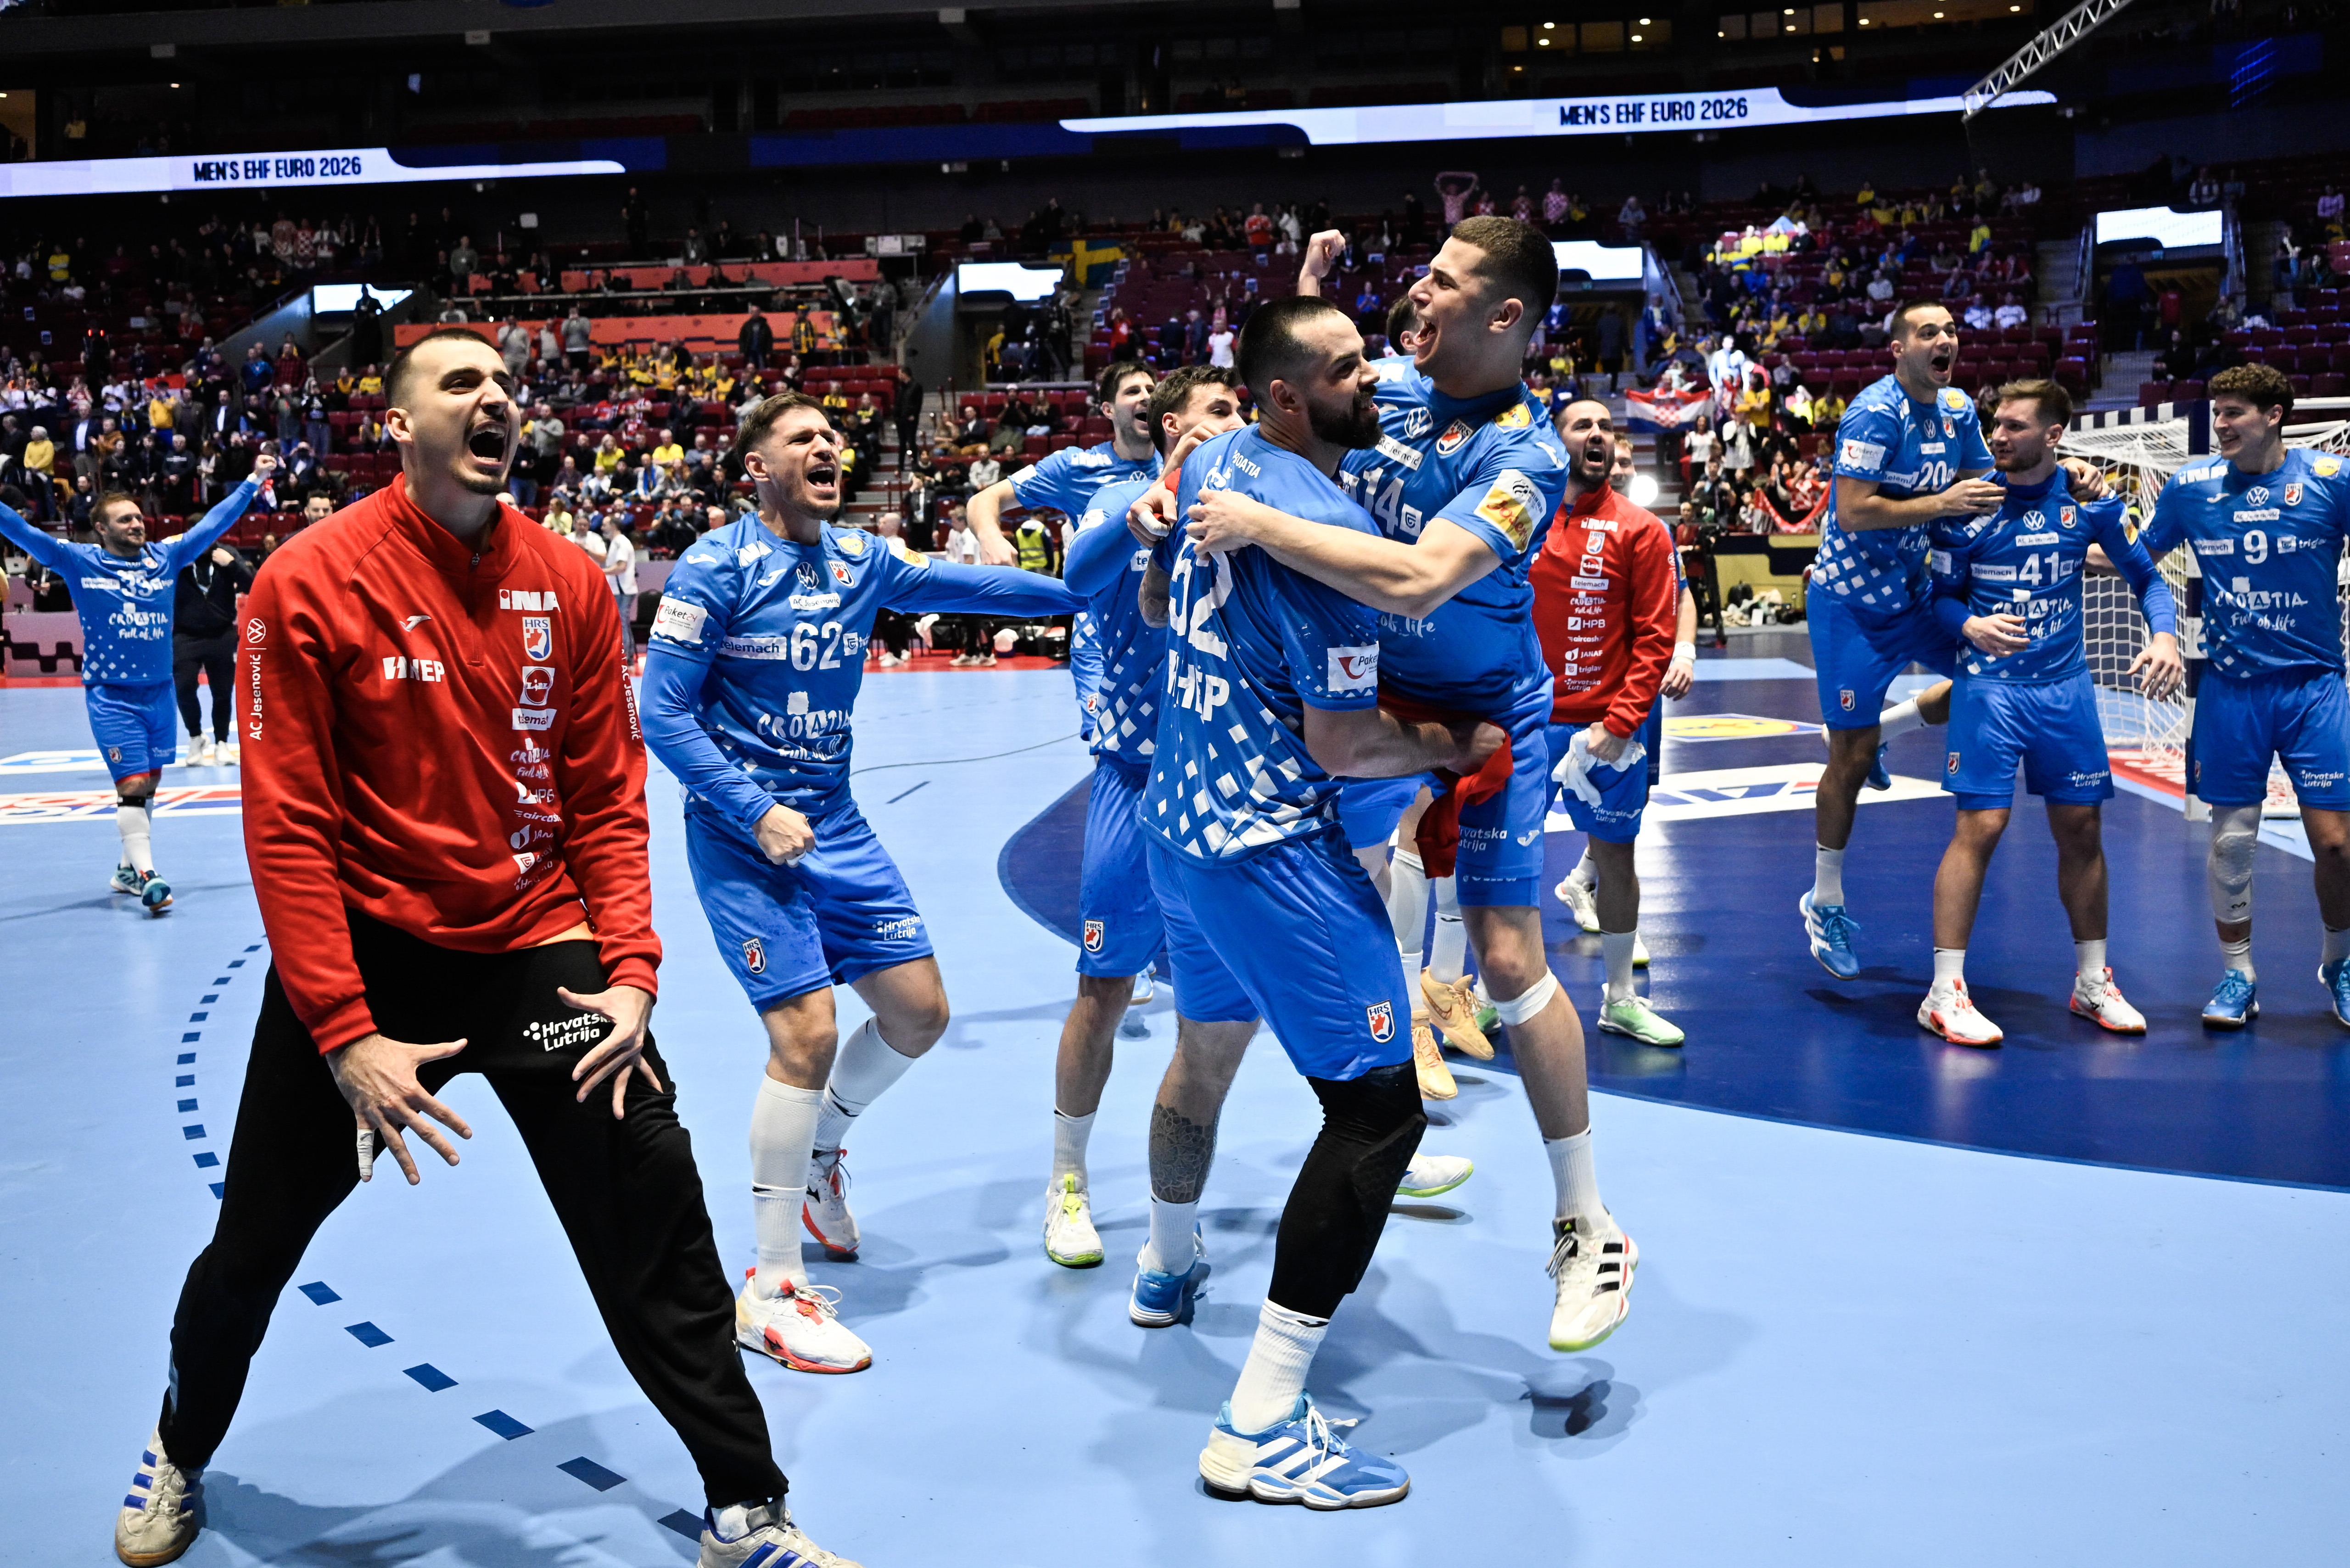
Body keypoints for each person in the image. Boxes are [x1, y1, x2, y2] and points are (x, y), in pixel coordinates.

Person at [118, 329, 853, 1568]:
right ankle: (181, 1449)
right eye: (461, 384)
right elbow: (288, 829)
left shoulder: (564, 579)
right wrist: (345, 1037)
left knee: (655, 1220)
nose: (496, 399)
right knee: (252, 1245)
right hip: (369, 957)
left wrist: (629, 971)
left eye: (506, 386)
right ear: (397, 426)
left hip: (534, 945)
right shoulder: (307, 580)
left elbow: (606, 798)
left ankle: (746, 1509)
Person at [1176, 216, 1633, 1355]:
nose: (1413, 299)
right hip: (1366, 709)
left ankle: (1586, 1224)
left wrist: (1254, 521)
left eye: (1440, 281)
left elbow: (1425, 578)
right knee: (1332, 914)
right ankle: (1342, 1135)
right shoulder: (1402, 389)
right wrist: (1300, 289)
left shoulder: (1522, 456)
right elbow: (1294, 394)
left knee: (1509, 952)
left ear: (1506, 317)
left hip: (1473, 720)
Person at [1141, 295, 1501, 1507]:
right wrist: (1453, 742)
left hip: (1181, 826)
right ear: (1291, 397)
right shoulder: (1330, 551)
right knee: (1378, 1115)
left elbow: (1164, 591)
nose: (1379, 380)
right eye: (1351, 369)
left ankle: (1166, 1263)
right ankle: (1259, 1422)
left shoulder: (1218, 454)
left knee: (1211, 1052)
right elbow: (1346, 745)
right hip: (1271, 850)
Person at [639, 391, 1082, 1374]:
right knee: (806, 1034)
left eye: (832, 437)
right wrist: (753, 808)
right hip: (743, 833)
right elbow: (660, 716)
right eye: (802, 438)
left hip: (834, 827)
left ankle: (821, 1154)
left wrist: (1089, 590)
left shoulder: (861, 558)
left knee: (920, 1015)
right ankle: (770, 1286)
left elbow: (984, 594)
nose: (827, 447)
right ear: (755, 465)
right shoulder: (715, 567)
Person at [1041, 365, 1247, 1267]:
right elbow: (1076, 579)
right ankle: (1066, 1180)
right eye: (1215, 410)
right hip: (1134, 783)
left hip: (1231, 783)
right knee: (1105, 988)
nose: (1232, 423)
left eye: (1239, 410)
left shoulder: (1256, 501)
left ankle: (1373, 1141)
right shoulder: (1119, 497)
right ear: (1170, 427)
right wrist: (1143, 514)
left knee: (1279, 983)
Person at [1919, 379, 2182, 1045]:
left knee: (2082, 829)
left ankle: (2092, 982)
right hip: (1990, 691)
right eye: (1996, 425)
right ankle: (1943, 992)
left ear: (2054, 435)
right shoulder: (1967, 506)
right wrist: (1970, 626)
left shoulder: (2092, 507)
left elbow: (2148, 576)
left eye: (2014, 426)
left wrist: (2164, 635)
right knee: (1981, 825)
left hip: (2065, 692)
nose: (1999, 437)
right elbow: (1941, 599)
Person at [2137, 363, 2350, 1028]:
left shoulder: (2330, 480)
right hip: (2231, 691)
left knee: (2339, 844)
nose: (2221, 425)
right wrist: (2165, 633)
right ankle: (2238, 975)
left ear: (2276, 414)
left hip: (2314, 686)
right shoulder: (2191, 488)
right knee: (2232, 842)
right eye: (2218, 412)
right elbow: (2138, 561)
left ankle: (2339, 962)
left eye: (2234, 413)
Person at [1800, 300, 1998, 979]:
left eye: (1950, 331)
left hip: (1916, 596)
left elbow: (1982, 480)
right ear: (1898, 349)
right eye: (1928, 332)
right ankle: (1824, 899)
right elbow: (1853, 511)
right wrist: (1940, 504)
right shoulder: (1874, 413)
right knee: (1847, 764)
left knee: (1987, 673)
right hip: (1850, 608)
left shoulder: (1958, 409)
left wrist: (2063, 478)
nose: (1945, 340)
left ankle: (1887, 732)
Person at [0, 459, 273, 914]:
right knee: (133, 782)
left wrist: (253, 481)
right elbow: (25, 535)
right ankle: (149, 875)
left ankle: (127, 868)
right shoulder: (78, 560)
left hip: (160, 693)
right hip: (112, 696)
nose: (136, 524)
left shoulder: (164, 558)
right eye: (124, 519)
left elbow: (212, 524)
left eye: (138, 517)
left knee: (149, 785)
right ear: (101, 530)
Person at [1533, 401, 1684, 1046]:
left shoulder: (1643, 529)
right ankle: (1488, 994)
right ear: (1554, 441)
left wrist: (1622, 722)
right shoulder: (1519, 521)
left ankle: (1621, 999)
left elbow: (1657, 635)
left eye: (1606, 428)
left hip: (1607, 730)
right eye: (1581, 426)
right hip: (1527, 722)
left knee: (1617, 859)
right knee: (1501, 862)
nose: (1597, 436)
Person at [965, 361, 1159, 737]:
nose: (1146, 398)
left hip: (1170, 635)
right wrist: (991, 537)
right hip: (1103, 638)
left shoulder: (1181, 464)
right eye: (1133, 391)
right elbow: (985, 500)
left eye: (1151, 389)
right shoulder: (1076, 466)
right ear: (1107, 410)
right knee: (1114, 757)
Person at [171, 532, 255, 767]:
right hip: (186, 635)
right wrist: (177, 564)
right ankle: (196, 736)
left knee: (223, 692)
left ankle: (222, 743)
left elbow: (252, 584)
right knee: (184, 688)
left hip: (222, 634)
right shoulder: (178, 557)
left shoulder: (227, 554)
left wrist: (232, 565)